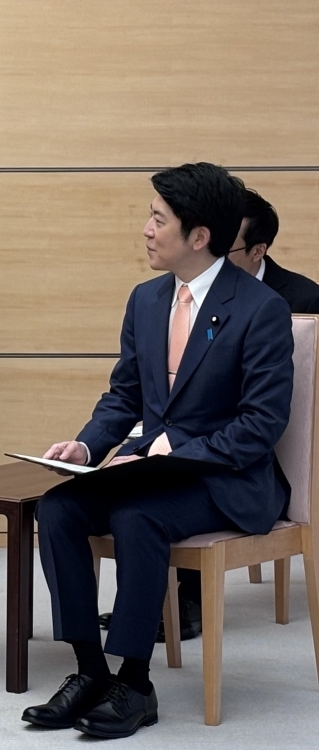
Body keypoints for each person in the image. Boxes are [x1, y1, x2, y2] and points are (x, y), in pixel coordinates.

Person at [22, 163, 293, 738]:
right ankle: (90, 671)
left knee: (136, 514)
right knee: (58, 507)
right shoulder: (146, 300)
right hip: (153, 470)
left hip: (228, 479)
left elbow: (260, 426)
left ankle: (136, 683)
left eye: (157, 218)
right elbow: (124, 396)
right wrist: (86, 445)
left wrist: (168, 450)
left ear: (199, 236)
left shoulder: (259, 309)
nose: (146, 228)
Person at [101, 186, 319, 641]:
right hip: (191, 449)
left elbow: (265, 417)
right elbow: (140, 394)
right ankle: (137, 615)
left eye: (229, 244)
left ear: (257, 251)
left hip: (255, 458)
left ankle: (161, 621)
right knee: (79, 503)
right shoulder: (158, 298)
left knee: (148, 507)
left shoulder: (287, 301)